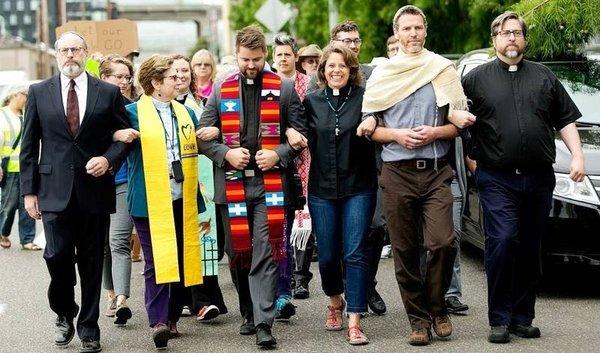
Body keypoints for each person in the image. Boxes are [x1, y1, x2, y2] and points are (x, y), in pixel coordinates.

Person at [458, 11, 585, 344]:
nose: (511, 37)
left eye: (516, 32)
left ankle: (522, 317)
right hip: (496, 177)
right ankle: (499, 318)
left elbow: (566, 120)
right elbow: (457, 119)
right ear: (494, 40)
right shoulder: (474, 79)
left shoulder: (544, 77)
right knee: (501, 242)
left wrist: (578, 156)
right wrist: (472, 162)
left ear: (524, 39)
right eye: (504, 32)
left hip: (539, 177)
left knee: (530, 246)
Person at [357, 5, 474, 345]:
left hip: (436, 171)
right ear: (397, 34)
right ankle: (418, 320)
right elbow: (372, 128)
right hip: (396, 173)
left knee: (441, 242)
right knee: (406, 251)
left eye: (417, 28)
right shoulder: (383, 75)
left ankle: (438, 308)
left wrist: (435, 133)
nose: (412, 34)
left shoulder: (441, 69)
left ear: (425, 31)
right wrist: (397, 135)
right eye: (406, 29)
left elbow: (457, 123)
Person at [20, 31, 130, 353]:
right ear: (57, 54)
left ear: (86, 53)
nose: (70, 55)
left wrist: (108, 160)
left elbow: (122, 138)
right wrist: (29, 193)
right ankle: (64, 313)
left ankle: (89, 327)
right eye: (65, 50)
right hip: (52, 191)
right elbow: (28, 146)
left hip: (94, 191)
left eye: (76, 49)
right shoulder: (39, 92)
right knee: (57, 257)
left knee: (93, 262)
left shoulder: (107, 93)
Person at [198, 25, 305, 348]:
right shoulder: (220, 88)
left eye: (257, 59)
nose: (251, 65)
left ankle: (263, 321)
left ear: (265, 56)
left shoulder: (284, 89)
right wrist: (227, 153)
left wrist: (278, 154)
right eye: (245, 59)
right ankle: (247, 311)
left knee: (264, 252)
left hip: (268, 185)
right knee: (238, 253)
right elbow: (203, 135)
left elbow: (299, 138)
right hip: (231, 185)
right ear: (238, 55)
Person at [120, 54, 206, 349]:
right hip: (148, 199)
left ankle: (171, 318)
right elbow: (110, 141)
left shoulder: (186, 114)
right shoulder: (131, 114)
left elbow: (199, 144)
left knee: (181, 257)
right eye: (172, 76)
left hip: (182, 195)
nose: (179, 79)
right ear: (156, 83)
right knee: (156, 261)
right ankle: (157, 322)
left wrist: (211, 137)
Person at [305, 43, 377, 345]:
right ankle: (335, 301)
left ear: (352, 70)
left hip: (358, 186)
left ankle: (355, 320)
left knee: (355, 252)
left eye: (343, 66)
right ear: (323, 71)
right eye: (331, 66)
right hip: (321, 188)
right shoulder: (311, 101)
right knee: (329, 255)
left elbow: (381, 120)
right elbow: (295, 131)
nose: (337, 71)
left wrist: (374, 119)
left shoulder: (366, 99)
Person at [171, 53, 228, 322]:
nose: (180, 76)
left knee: (202, 239)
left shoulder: (202, 107)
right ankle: (180, 299)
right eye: (176, 72)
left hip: (201, 185)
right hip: (170, 185)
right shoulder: (153, 109)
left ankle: (204, 300)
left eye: (185, 71)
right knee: (177, 241)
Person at [271, 33, 311, 316]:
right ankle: (280, 286)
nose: (283, 59)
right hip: (278, 161)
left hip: (308, 159)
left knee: (305, 221)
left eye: (287, 54)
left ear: (295, 56)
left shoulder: (308, 85)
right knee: (281, 229)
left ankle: (299, 278)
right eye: (279, 55)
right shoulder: (269, 85)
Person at [98, 54, 136, 326]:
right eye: (117, 77)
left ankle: (122, 298)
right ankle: (109, 293)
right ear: (103, 78)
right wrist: (113, 135)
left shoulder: (132, 108)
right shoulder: (89, 106)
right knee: (100, 245)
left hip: (123, 181)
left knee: (118, 240)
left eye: (126, 77)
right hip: (94, 185)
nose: (123, 82)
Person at [0, 86, 37, 250]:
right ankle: (2, 232)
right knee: (9, 204)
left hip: (26, 168)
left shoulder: (27, 114)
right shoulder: (2, 115)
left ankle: (27, 240)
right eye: (25, 95)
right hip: (9, 169)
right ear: (14, 95)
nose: (27, 99)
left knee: (27, 204)